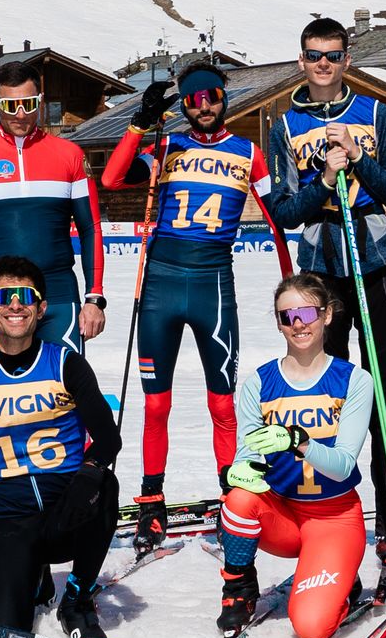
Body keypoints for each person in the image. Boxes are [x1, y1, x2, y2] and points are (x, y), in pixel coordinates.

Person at [105, 63, 294, 551]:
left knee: (223, 404)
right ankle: (151, 501)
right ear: (183, 106)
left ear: (223, 99)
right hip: (161, 284)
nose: (202, 106)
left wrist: (291, 280)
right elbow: (110, 177)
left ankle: (231, 497)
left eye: (210, 96)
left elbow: (279, 217)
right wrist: (139, 124)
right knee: (156, 404)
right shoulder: (166, 145)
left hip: (213, 284)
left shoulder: (249, 155)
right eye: (192, 100)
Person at [264, 18, 386, 563]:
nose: (323, 63)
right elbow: (283, 211)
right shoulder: (283, 124)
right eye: (313, 55)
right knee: (329, 397)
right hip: (321, 274)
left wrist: (359, 159)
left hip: (374, 265)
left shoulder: (378, 113)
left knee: (381, 397)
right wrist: (325, 181)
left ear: (347, 58)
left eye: (332, 54)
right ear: (301, 60)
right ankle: (332, 512)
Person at [0, 256, 123, 638]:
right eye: (4, 296)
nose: (15, 304)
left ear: (41, 308)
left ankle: (77, 598)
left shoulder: (65, 363)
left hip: (66, 506)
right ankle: (34, 573)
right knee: (2, 635)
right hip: (8, 515)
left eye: (25, 296)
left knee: (104, 484)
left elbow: (108, 438)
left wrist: (90, 470)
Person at [214, 276, 372, 638]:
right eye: (287, 316)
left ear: (327, 314)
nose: (298, 323)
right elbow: (247, 454)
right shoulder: (260, 382)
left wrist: (297, 440)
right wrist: (242, 470)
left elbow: (343, 464)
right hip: (283, 515)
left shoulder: (353, 380)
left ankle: (340, 579)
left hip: (333, 517)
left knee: (311, 627)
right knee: (237, 498)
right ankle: (238, 590)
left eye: (306, 312)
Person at [0, 58, 108, 352]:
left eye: (29, 104)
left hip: (57, 293)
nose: (20, 114)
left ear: (41, 101)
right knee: (3, 392)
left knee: (62, 393)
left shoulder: (69, 155)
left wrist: (94, 297)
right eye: (10, 105)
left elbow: (90, 228)